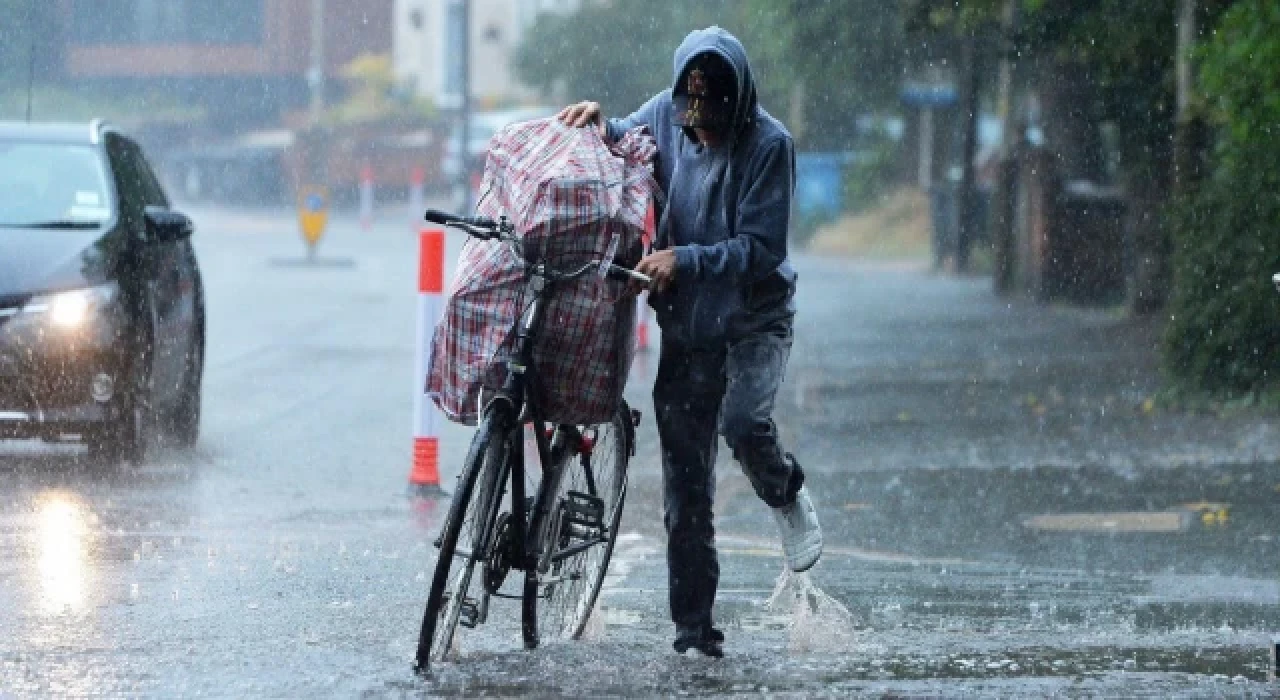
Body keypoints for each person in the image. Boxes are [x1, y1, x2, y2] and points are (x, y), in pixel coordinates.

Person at [558, 26, 822, 658]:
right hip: (687, 327)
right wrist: (598, 122)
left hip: (754, 321)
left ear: (739, 104)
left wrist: (687, 259)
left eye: (713, 122)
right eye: (691, 121)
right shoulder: (665, 114)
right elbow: (623, 138)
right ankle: (694, 631)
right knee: (685, 489)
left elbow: (762, 249)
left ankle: (784, 490)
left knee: (744, 424)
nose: (700, 133)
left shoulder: (770, 145)